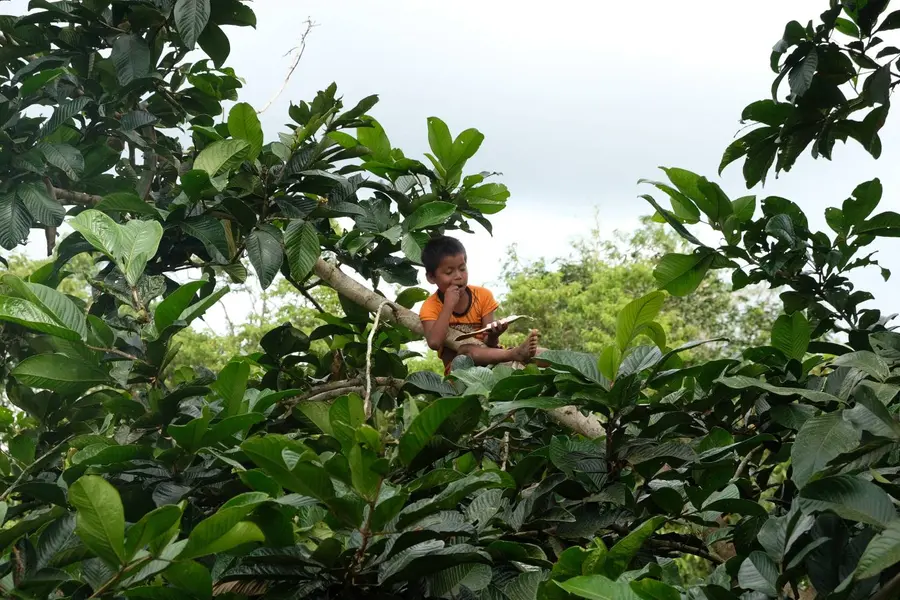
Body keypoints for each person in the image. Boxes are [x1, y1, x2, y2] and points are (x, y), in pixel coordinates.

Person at [418, 236, 540, 374]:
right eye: (449, 272)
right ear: (431, 277)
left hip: (492, 360)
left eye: (462, 269)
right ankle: (514, 354)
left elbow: (489, 343)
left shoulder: (483, 296)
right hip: (461, 371)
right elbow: (434, 343)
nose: (458, 276)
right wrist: (448, 306)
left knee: (541, 353)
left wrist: (494, 334)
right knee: (466, 351)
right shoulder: (430, 306)